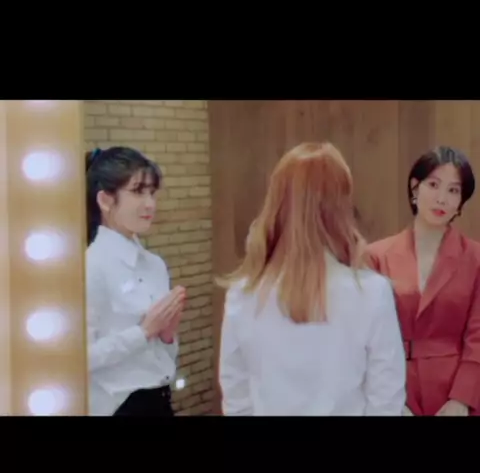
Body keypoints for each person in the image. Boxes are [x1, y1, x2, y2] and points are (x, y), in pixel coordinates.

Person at [218, 142, 406, 416]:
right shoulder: (372, 293)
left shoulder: (242, 293)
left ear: (277, 203)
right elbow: (385, 400)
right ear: (341, 207)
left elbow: (236, 398)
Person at [367, 145, 480, 417]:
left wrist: (462, 399)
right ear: (414, 187)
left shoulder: (476, 258)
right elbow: (365, 338)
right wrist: (390, 401)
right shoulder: (375, 256)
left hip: (457, 395)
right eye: (433, 185)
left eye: (453, 190)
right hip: (394, 390)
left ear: (461, 201)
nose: (442, 199)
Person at [85, 146, 186, 416]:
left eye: (152, 192)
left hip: (160, 398)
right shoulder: (91, 266)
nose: (150, 204)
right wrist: (143, 333)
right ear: (106, 200)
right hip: (119, 407)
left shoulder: (155, 265)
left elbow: (162, 358)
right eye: (138, 192)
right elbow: (80, 358)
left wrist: (166, 336)